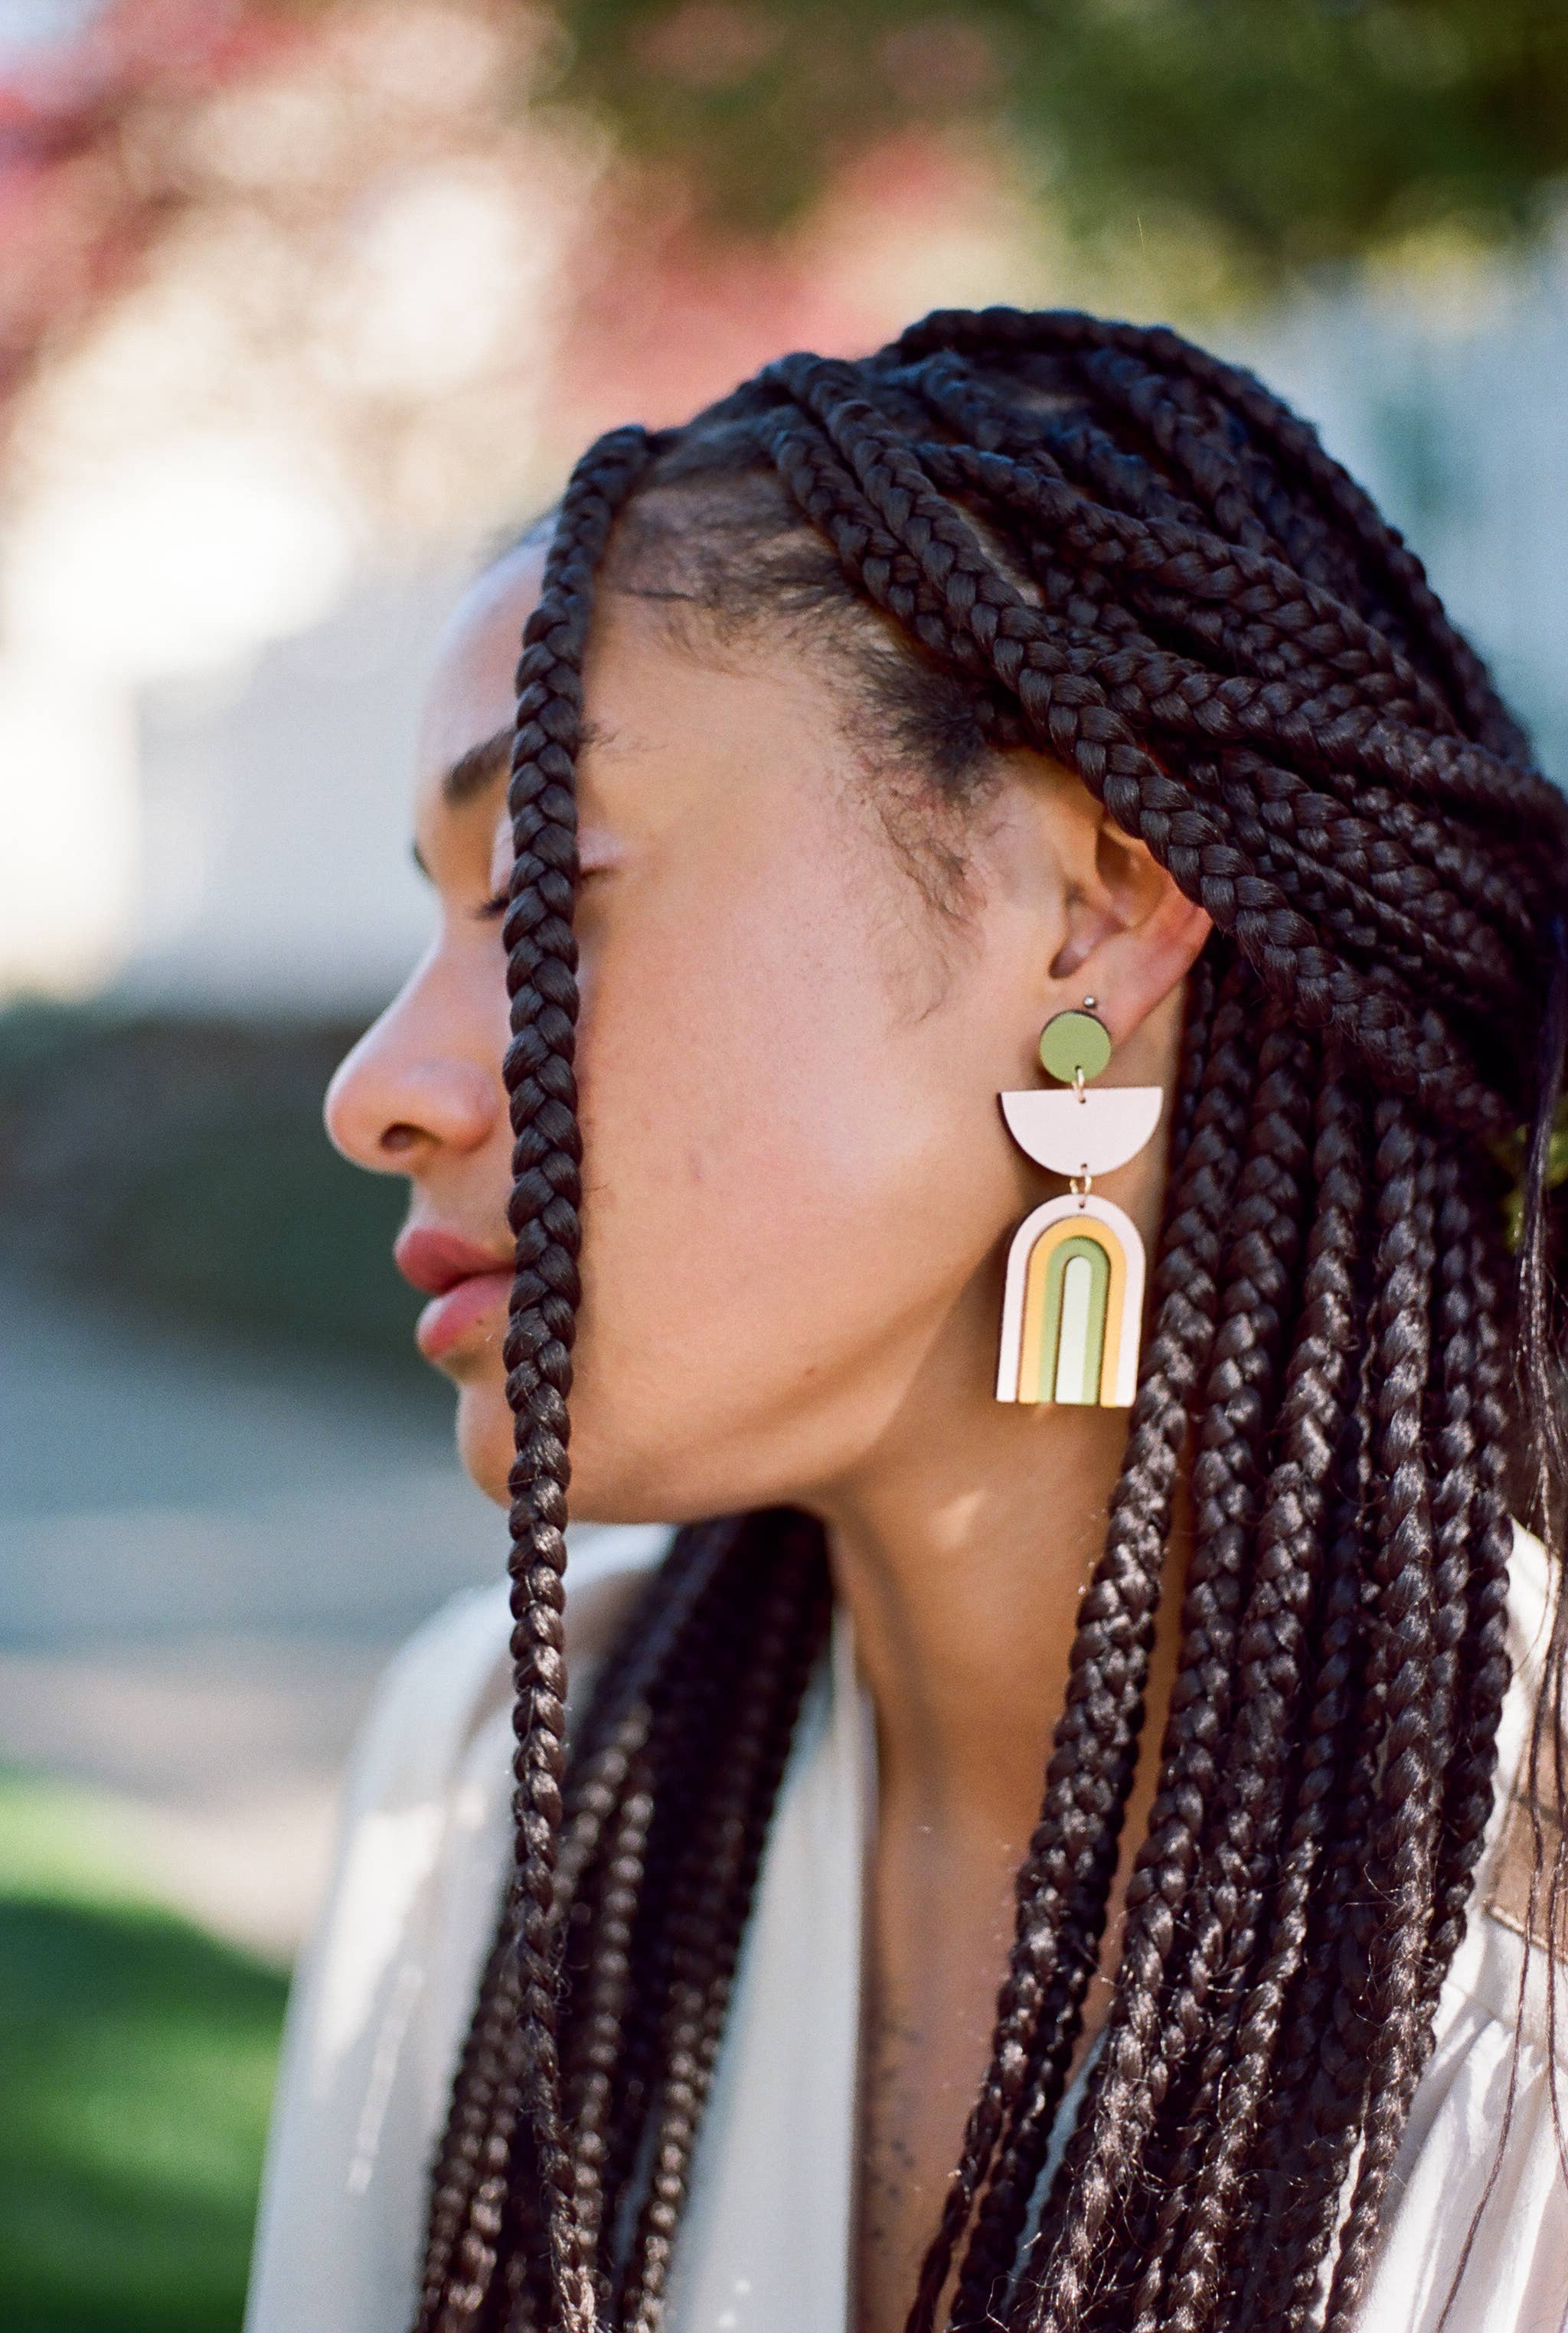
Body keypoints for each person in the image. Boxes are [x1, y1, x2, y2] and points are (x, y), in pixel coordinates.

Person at [243, 309, 1568, 2333]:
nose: (377, 1091)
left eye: (540, 893)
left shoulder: (1521, 1978)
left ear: (1091, 913)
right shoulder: (498, 1778)